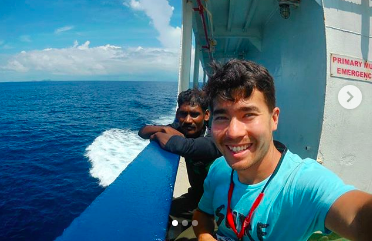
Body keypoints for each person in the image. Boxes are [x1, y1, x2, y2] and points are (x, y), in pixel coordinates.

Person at [192, 59, 372, 241]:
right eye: (222, 117)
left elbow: (358, 217)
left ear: (274, 119)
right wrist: (204, 235)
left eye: (248, 115)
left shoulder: (303, 184)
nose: (233, 132)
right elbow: (201, 215)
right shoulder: (219, 168)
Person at [138, 89, 221, 239]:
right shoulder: (184, 128)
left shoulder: (214, 139)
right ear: (178, 114)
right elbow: (142, 131)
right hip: (196, 198)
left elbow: (183, 146)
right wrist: (163, 129)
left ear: (206, 115)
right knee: (156, 213)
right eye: (183, 114)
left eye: (194, 114)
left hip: (218, 209)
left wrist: (158, 135)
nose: (188, 120)